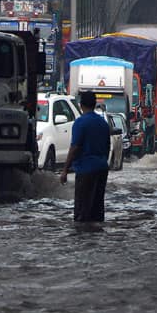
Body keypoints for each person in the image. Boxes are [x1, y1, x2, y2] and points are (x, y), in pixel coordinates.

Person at [60, 90, 111, 224]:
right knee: (97, 209)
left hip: (85, 170)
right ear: (94, 105)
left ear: (81, 105)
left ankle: (82, 240)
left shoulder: (80, 123)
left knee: (82, 212)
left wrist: (65, 170)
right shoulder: (103, 124)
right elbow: (107, 148)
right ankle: (96, 237)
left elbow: (74, 147)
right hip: (101, 169)